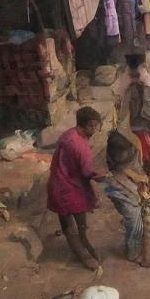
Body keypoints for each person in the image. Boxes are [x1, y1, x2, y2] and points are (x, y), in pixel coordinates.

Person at [47, 107, 106, 271]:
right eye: (95, 127)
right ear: (90, 125)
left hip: (61, 182)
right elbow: (87, 173)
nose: (97, 130)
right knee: (71, 226)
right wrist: (100, 178)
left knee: (76, 223)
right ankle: (83, 255)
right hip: (67, 189)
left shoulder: (69, 134)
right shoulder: (80, 147)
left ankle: (84, 245)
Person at [103, 130, 150, 267]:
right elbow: (123, 183)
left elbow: (137, 169)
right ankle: (135, 253)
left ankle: (143, 233)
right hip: (119, 189)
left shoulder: (133, 148)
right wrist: (136, 193)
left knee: (149, 204)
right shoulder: (113, 171)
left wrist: (141, 182)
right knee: (133, 214)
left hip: (132, 182)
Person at [119, 53, 150, 175]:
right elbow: (123, 95)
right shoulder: (129, 76)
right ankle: (145, 162)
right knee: (140, 140)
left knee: (145, 139)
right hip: (136, 115)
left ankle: (146, 162)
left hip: (144, 114)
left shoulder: (148, 77)